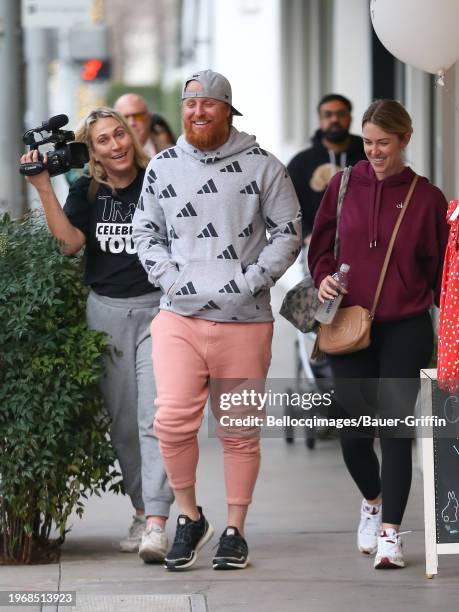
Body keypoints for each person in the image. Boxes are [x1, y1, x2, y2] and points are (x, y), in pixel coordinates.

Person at [133, 69, 301, 571]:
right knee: (171, 422)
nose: (197, 113)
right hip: (178, 317)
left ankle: (235, 529)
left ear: (228, 110)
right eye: (190, 105)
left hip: (245, 319)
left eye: (208, 105)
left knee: (240, 431)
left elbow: (288, 233)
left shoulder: (263, 167)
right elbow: (145, 231)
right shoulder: (162, 167)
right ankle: (189, 516)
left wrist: (248, 282)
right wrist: (172, 281)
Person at [20, 107, 174, 562]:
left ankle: (157, 522)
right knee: (125, 425)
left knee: (154, 419)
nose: (115, 145)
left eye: (120, 134)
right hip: (106, 312)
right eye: (103, 140)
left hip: (158, 311)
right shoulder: (86, 191)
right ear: (93, 150)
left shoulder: (159, 181)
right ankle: (143, 509)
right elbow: (69, 243)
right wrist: (44, 187)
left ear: (131, 136)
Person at [308, 99, 449, 569]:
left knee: (394, 429)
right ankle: (371, 499)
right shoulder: (344, 184)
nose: (374, 151)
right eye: (367, 142)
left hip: (406, 327)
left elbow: (441, 271)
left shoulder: (427, 198)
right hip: (348, 323)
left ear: (405, 139)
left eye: (383, 143)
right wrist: (324, 276)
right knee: (352, 433)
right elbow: (322, 246)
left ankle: (391, 532)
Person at [288, 94, 366, 244]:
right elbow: (288, 207)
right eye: (328, 115)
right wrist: (306, 235)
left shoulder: (368, 158)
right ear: (320, 119)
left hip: (364, 247)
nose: (334, 120)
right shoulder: (301, 163)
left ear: (350, 118)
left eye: (341, 114)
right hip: (317, 248)